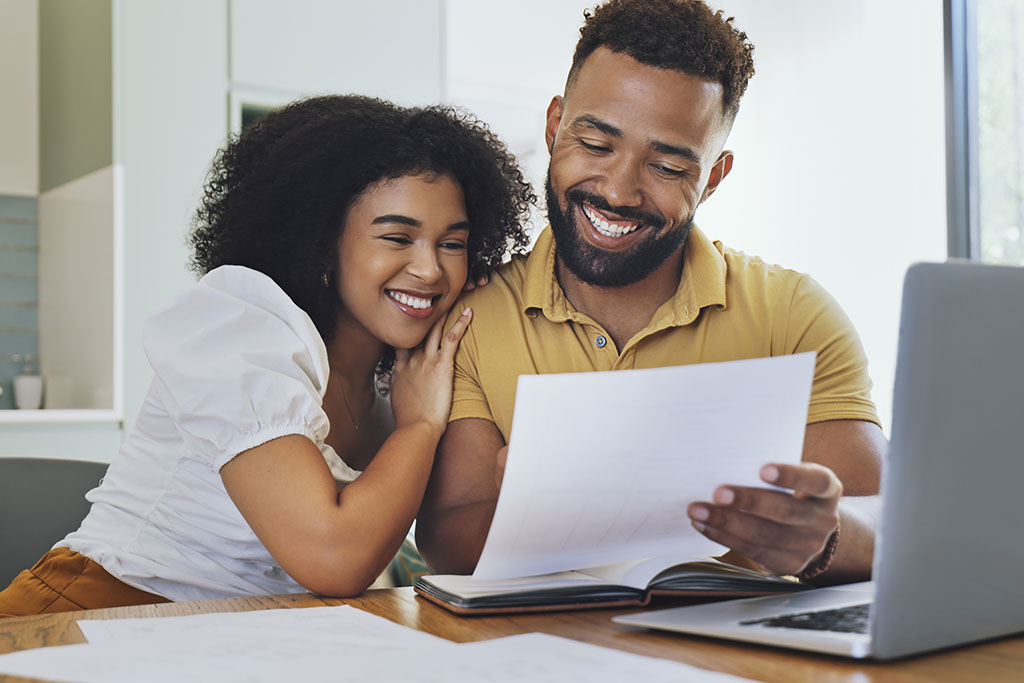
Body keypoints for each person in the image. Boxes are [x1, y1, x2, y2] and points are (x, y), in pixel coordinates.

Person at [0, 95, 533, 616]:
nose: (431, 270)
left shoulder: (408, 370)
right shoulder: (242, 327)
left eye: (452, 244)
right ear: (322, 241)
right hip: (93, 616)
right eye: (397, 237)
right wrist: (419, 428)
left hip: (246, 635)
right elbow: (334, 557)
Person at [416, 0, 886, 585]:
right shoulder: (472, 319)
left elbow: (883, 517)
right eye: (595, 144)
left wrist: (826, 536)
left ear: (713, 178)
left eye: (667, 167)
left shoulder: (793, 314)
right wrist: (551, 511)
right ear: (554, 125)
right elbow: (446, 541)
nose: (618, 190)